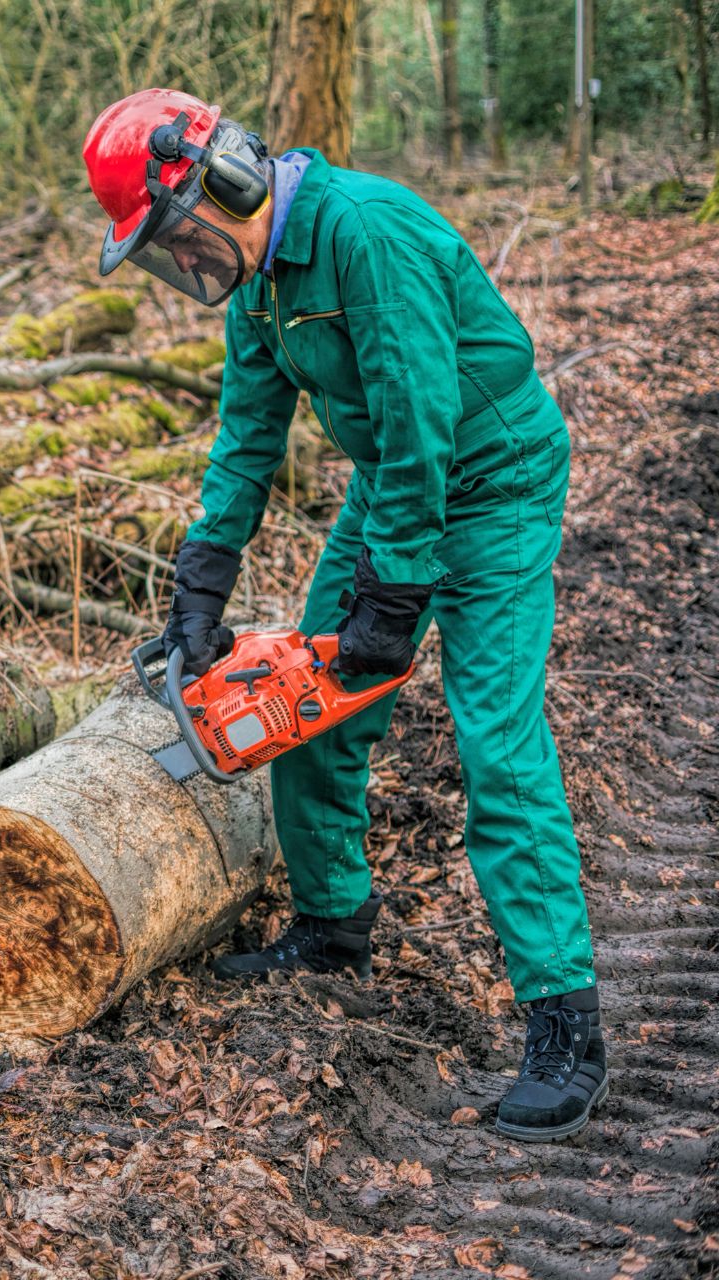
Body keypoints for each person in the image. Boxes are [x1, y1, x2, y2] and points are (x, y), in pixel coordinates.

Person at [81, 88, 605, 1142]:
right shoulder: (262, 291)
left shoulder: (363, 232)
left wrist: (397, 591)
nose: (182, 262)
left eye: (177, 237)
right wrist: (202, 585)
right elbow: (245, 441)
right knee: (303, 695)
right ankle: (331, 922)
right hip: (394, 484)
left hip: (492, 477)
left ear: (223, 181)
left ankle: (564, 1020)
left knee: (495, 738)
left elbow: (423, 418)